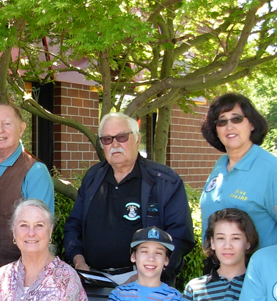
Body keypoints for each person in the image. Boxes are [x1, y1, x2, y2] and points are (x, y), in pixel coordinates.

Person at [63, 112, 193, 285]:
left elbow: (180, 236)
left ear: (137, 140)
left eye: (122, 137)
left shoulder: (164, 181)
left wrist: (146, 275)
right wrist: (79, 261)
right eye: (107, 139)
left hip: (145, 282)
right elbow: (74, 225)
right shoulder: (93, 178)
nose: (115, 144)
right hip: (93, 279)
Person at [200, 93, 277, 248]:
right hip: (217, 267)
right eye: (222, 122)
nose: (229, 126)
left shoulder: (273, 171)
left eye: (236, 119)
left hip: (258, 269)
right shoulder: (220, 165)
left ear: (251, 124)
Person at [0, 102, 54, 272]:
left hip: (19, 275)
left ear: (21, 129)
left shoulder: (35, 171)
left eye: (7, 123)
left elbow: (40, 232)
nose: (0, 130)